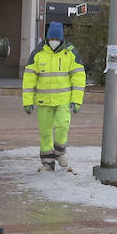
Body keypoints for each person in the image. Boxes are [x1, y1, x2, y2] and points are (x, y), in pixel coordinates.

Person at [21, 21, 86, 171]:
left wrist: (77, 100)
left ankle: (60, 152)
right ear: (47, 38)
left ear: (61, 39)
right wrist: (27, 101)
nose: (53, 41)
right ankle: (47, 163)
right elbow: (29, 79)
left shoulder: (70, 53)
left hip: (63, 100)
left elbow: (79, 78)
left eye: (56, 39)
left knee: (63, 126)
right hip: (44, 102)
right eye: (51, 39)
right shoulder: (38, 52)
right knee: (45, 132)